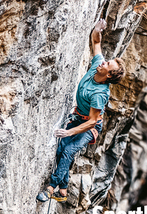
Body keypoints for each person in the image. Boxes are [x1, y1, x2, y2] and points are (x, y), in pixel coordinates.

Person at [37, 19, 126, 203]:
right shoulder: (97, 66)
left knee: (68, 149)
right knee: (62, 148)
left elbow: (93, 121)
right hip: (79, 118)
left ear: (108, 75)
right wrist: (97, 29)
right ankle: (63, 190)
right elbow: (96, 42)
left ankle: (51, 188)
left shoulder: (100, 94)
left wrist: (69, 131)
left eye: (107, 64)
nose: (104, 62)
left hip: (90, 127)